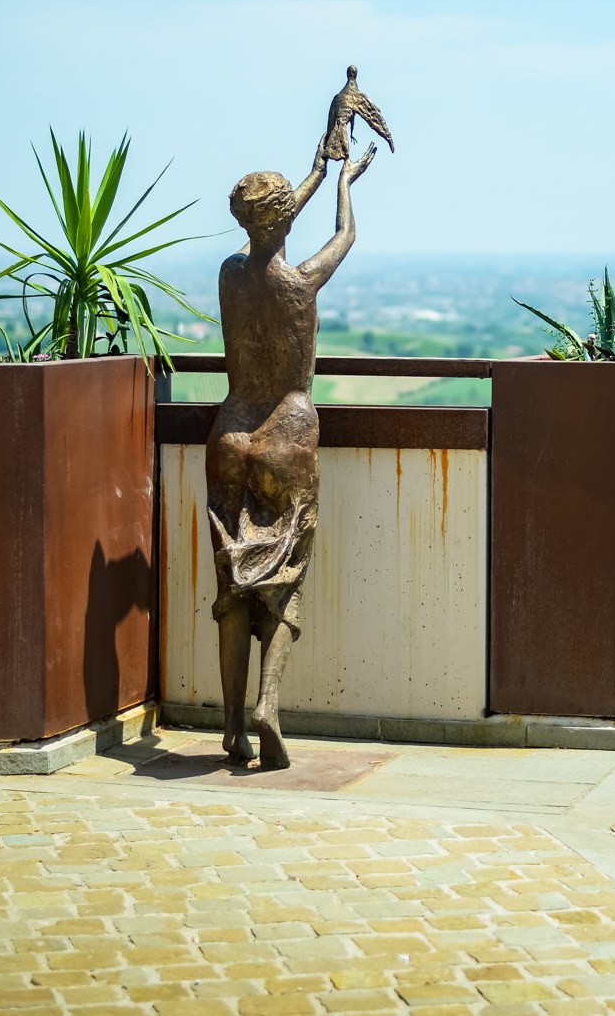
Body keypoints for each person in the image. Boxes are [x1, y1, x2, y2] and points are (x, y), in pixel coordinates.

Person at [206, 135, 374, 768]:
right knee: (283, 579)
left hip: (231, 431)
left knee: (232, 581)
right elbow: (344, 235)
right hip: (288, 433)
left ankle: (230, 725)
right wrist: (341, 181)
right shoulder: (302, 284)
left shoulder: (229, 273)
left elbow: (270, 223)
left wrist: (311, 168)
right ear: (283, 219)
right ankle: (268, 705)